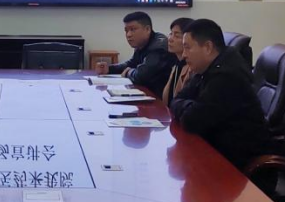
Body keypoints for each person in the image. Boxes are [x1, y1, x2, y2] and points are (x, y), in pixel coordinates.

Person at [169, 18, 272, 171]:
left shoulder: (227, 76)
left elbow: (191, 120)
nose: (183, 55)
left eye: (187, 48)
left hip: (239, 165)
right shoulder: (207, 67)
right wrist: (190, 106)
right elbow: (176, 100)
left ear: (208, 47)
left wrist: (188, 107)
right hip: (217, 152)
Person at [96, 11, 175, 95]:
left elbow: (142, 76)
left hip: (160, 99)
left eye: (133, 29)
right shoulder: (142, 43)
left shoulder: (159, 46)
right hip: (147, 93)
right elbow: (132, 63)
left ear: (147, 29)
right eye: (126, 30)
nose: (128, 34)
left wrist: (128, 72)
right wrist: (109, 69)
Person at [161, 17, 195, 105]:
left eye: (177, 36)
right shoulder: (176, 65)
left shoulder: (192, 69)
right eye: (171, 34)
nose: (170, 39)